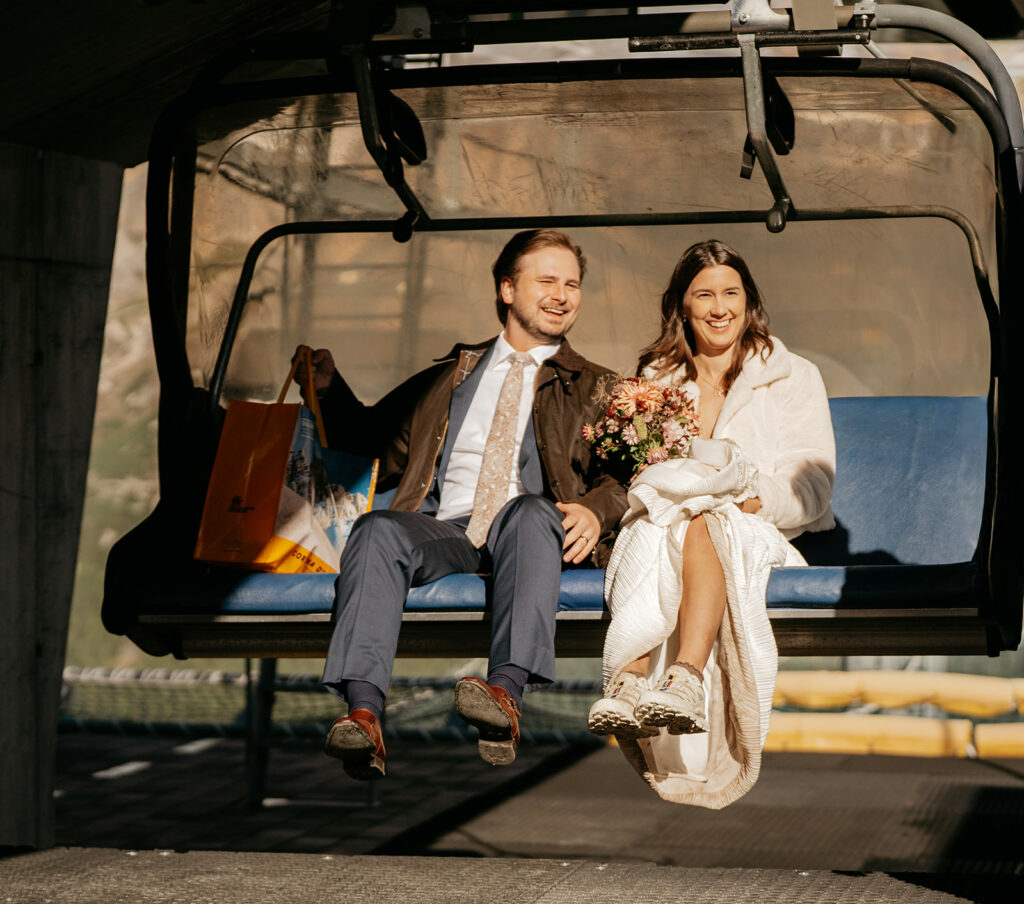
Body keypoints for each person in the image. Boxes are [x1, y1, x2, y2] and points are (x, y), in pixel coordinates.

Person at [295, 229, 628, 781]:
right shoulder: (449, 376)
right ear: (506, 289)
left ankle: (504, 695)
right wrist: (328, 391)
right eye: (546, 280)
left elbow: (630, 475)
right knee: (378, 528)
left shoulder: (597, 387)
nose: (562, 294)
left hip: (535, 533)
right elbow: (376, 443)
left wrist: (595, 508)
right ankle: (363, 715)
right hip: (448, 530)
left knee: (527, 512)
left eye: (572, 284)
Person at [587, 238, 835, 807]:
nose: (719, 307)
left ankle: (686, 678)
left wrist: (748, 497)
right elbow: (637, 477)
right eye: (704, 295)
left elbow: (814, 489)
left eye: (731, 293)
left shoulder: (793, 376)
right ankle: (628, 684)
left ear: (750, 304)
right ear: (683, 306)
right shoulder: (654, 382)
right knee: (651, 528)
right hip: (669, 527)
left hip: (757, 531)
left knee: (706, 520)